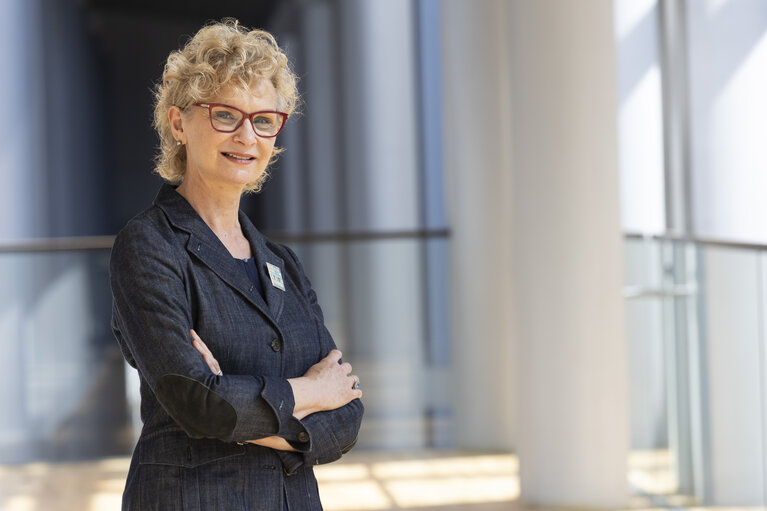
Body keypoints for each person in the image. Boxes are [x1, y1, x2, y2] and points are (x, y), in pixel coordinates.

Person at [109, 19, 364, 510]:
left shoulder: (282, 263)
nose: (247, 135)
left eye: (263, 119)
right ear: (180, 123)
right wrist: (309, 391)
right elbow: (198, 402)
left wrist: (237, 404)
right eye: (226, 114)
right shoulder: (148, 246)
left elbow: (346, 415)